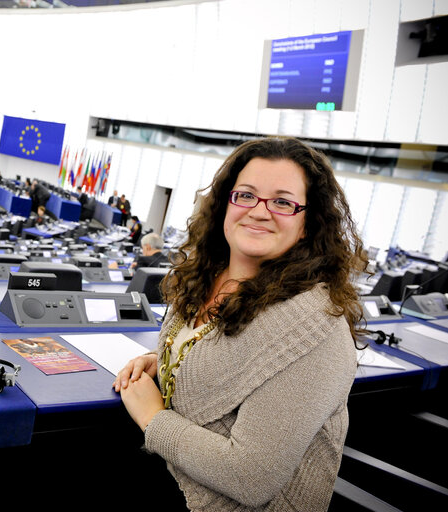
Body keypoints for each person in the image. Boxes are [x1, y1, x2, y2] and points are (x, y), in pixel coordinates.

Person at [113, 137, 366, 511]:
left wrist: (153, 418)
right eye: (245, 195)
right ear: (224, 205)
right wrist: (165, 365)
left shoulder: (317, 329)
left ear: (309, 224)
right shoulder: (202, 279)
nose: (259, 211)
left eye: (282, 202)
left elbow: (250, 477)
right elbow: (222, 365)